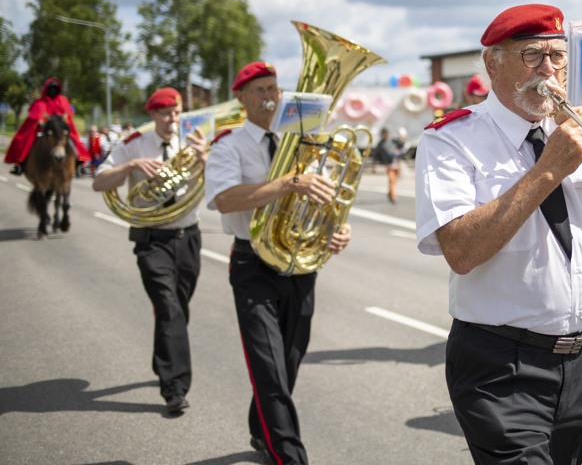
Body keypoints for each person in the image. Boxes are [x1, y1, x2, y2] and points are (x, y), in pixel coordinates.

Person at [415, 3, 582, 464]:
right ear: (493, 63)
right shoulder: (451, 138)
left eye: (558, 56)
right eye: (531, 54)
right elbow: (461, 251)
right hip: (500, 364)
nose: (548, 68)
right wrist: (547, 171)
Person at [204, 61, 352, 465]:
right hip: (253, 264)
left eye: (273, 88)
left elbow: (328, 196)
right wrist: (287, 182)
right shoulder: (228, 145)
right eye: (259, 91)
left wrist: (336, 229)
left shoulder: (305, 140)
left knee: (288, 361)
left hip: (300, 262)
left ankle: (261, 428)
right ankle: (289, 455)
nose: (269, 97)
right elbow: (225, 199)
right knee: (268, 367)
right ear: (241, 98)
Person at [91, 87, 205, 414]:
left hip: (188, 237)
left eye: (177, 112)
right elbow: (100, 182)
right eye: (166, 114)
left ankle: (163, 361)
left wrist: (206, 159)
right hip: (151, 239)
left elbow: (217, 187)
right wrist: (131, 168)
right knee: (168, 307)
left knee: (178, 307)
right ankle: (175, 388)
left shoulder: (192, 144)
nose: (173, 119)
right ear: (153, 115)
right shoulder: (134, 145)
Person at [4, 77, 89, 175]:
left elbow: (67, 116)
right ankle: (21, 163)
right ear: (46, 89)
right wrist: (43, 124)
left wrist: (62, 123)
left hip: (60, 129)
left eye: (55, 89)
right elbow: (36, 118)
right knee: (27, 140)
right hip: (44, 129)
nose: (53, 91)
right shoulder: (40, 103)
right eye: (51, 89)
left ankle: (80, 163)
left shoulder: (63, 100)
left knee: (73, 139)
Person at [385, 127, 408, 203]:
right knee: (392, 180)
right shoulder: (393, 142)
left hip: (397, 164)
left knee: (394, 180)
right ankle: (393, 195)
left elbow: (403, 153)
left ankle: (390, 192)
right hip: (390, 163)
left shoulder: (404, 143)